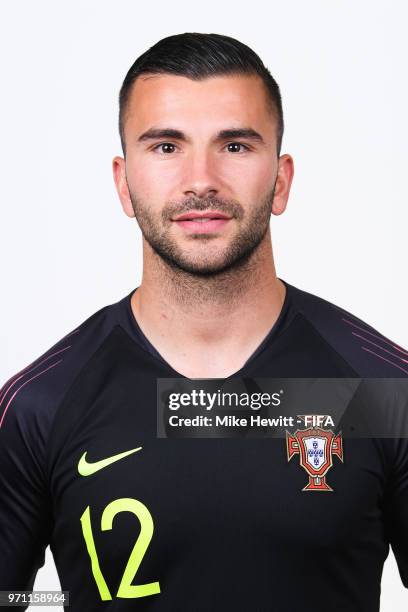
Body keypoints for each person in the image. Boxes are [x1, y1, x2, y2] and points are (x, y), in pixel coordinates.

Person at [0, 32, 407, 612]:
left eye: (235, 146)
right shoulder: (41, 403)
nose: (201, 180)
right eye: (166, 147)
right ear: (123, 181)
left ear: (282, 179)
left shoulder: (384, 391)